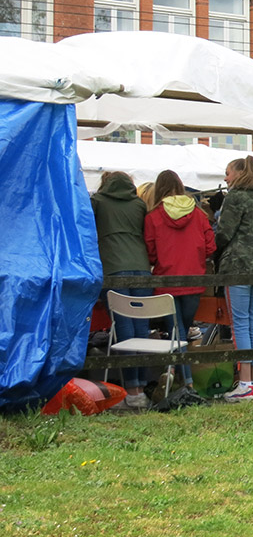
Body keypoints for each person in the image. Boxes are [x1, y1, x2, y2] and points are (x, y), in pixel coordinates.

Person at [145, 169, 215, 391]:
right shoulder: (199, 214)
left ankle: (179, 376)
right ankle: (184, 379)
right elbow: (210, 246)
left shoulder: (153, 216)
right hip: (194, 278)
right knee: (182, 331)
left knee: (176, 331)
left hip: (166, 281)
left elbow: (150, 252)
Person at [91, 171, 153, 410]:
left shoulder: (97, 202)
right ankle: (141, 388)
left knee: (124, 329)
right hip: (141, 266)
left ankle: (132, 390)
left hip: (113, 267)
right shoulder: (139, 204)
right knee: (142, 330)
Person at [215, 156, 253, 401]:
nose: (225, 178)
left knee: (239, 324)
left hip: (238, 266)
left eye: (227, 173)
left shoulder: (234, 198)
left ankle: (246, 383)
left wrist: (214, 250)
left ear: (238, 174)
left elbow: (224, 233)